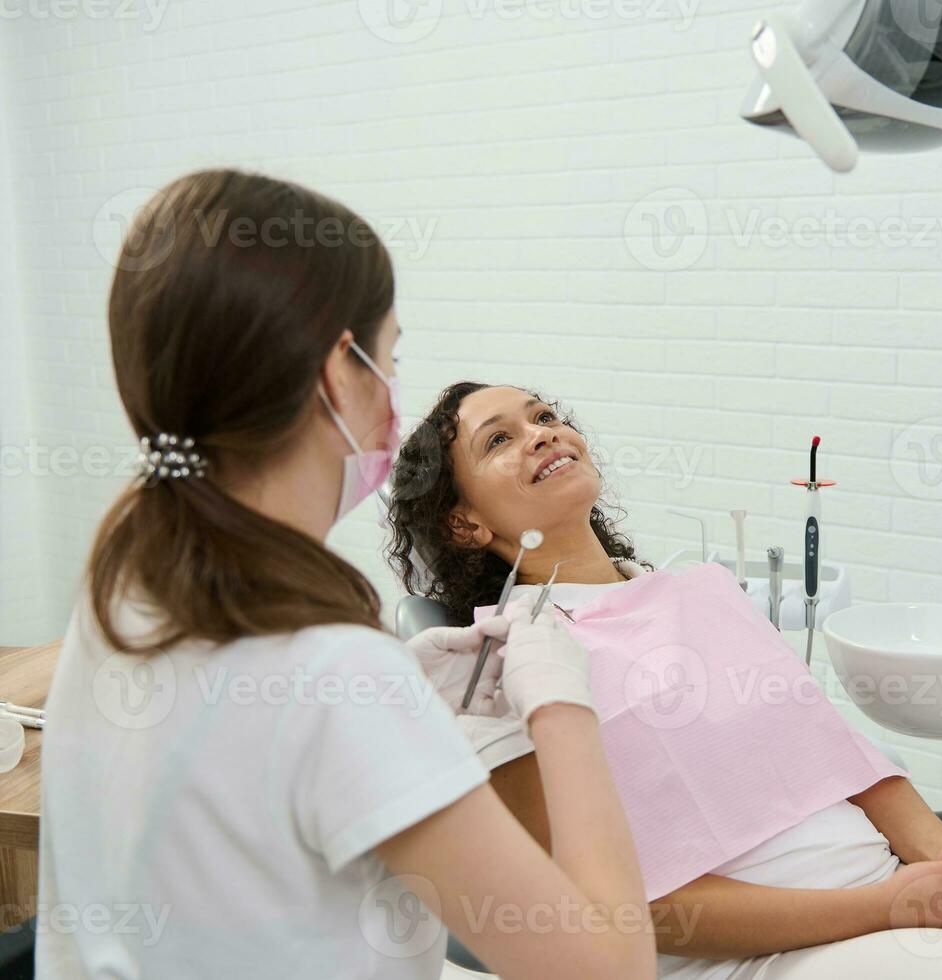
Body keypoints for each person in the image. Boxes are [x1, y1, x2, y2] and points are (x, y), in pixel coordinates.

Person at [387, 380, 942, 980]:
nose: (543, 433)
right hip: (771, 954)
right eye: (500, 439)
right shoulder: (495, 668)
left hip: (895, 887)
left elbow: (842, 757)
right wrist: (889, 906)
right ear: (466, 524)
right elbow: (630, 920)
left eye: (546, 414)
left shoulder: (700, 589)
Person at [37, 170, 655, 980]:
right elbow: (609, 970)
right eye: (389, 357)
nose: (393, 392)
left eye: (543, 416)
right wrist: (563, 705)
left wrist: (397, 692)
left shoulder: (125, 580)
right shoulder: (333, 672)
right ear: (339, 371)